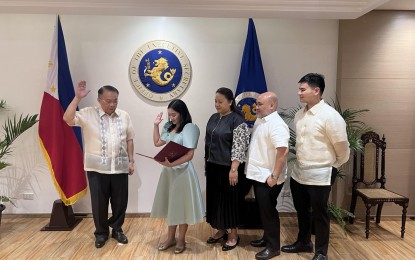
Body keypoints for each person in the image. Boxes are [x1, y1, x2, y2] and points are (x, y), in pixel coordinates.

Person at [281, 73, 350, 260]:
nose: (299, 93)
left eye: (302, 89)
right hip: (299, 173)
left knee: (320, 214)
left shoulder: (330, 116)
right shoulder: (299, 114)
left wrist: (333, 166)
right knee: (302, 210)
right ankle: (303, 242)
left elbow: (343, 149)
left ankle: (321, 252)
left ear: (316, 90)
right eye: (299, 89)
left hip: (320, 174)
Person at [63, 81, 135, 248]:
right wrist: (77, 98)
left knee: (120, 202)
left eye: (115, 100)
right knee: (99, 203)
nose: (112, 104)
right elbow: (67, 119)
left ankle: (117, 229)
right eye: (108, 101)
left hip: (120, 167)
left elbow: (130, 139)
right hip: (97, 168)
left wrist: (131, 161)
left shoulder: (124, 115)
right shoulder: (88, 113)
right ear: (99, 100)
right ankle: (101, 233)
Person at [151, 99, 204, 254]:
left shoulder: (190, 128)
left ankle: (181, 239)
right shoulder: (169, 127)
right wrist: (155, 125)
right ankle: (170, 238)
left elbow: (189, 154)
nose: (171, 118)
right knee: (172, 205)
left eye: (174, 115)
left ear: (182, 113)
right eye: (169, 115)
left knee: (182, 205)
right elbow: (157, 142)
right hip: (169, 173)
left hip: (182, 172)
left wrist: (172, 164)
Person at [245, 91, 289, 260]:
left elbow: (283, 152)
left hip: (268, 177)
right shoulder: (260, 120)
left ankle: (273, 247)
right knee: (263, 210)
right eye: (257, 103)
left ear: (272, 105)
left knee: (269, 212)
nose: (256, 106)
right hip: (258, 175)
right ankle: (266, 239)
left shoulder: (277, 124)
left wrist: (274, 177)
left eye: (260, 104)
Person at [205, 87, 250, 251]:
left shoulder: (237, 120)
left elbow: (240, 146)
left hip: (229, 168)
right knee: (216, 200)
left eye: (220, 102)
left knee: (231, 202)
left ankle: (233, 235)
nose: (217, 104)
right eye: (215, 101)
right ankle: (220, 229)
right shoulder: (213, 117)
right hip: (213, 166)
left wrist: (234, 169)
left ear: (230, 102)